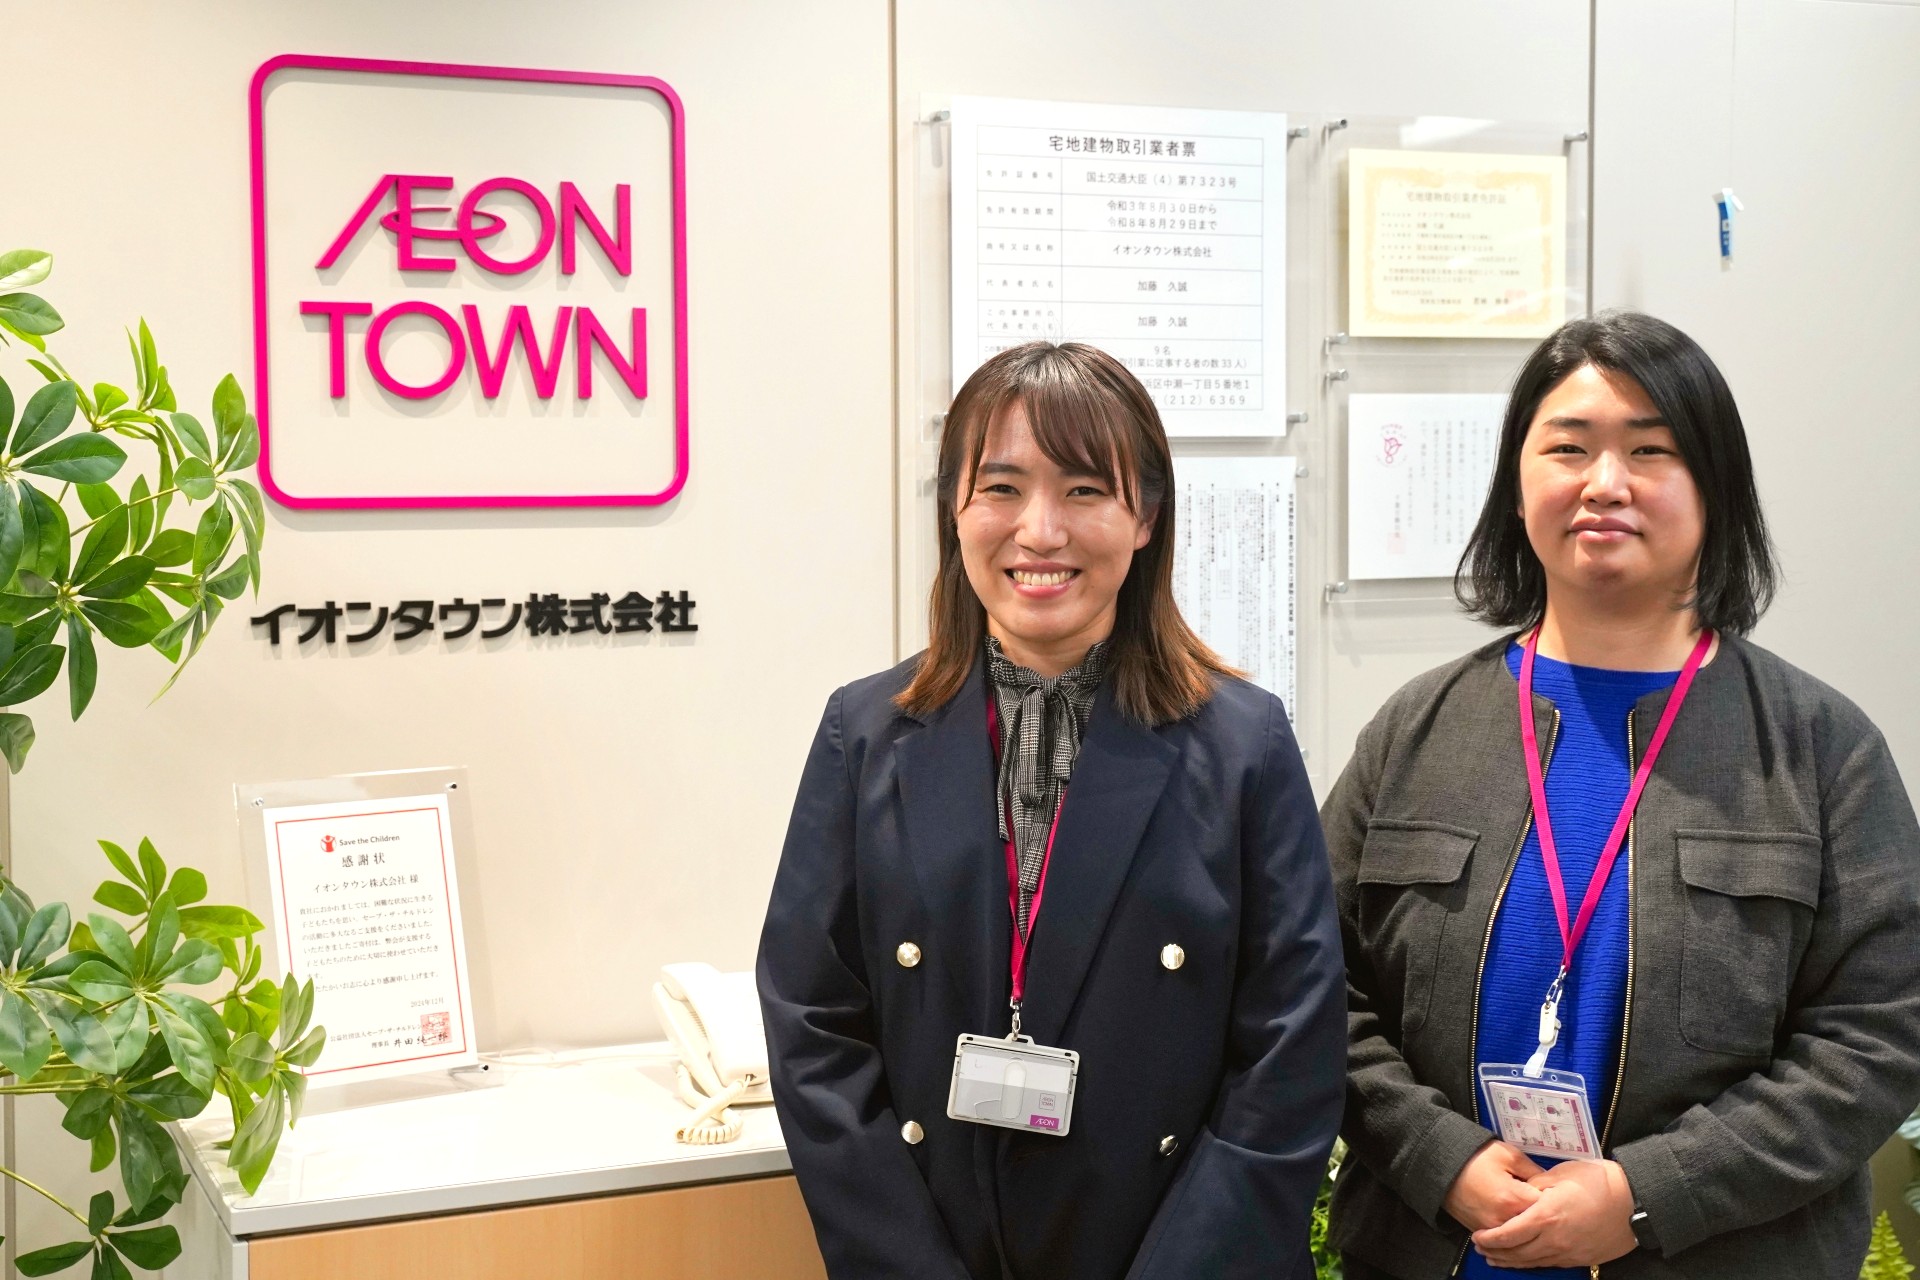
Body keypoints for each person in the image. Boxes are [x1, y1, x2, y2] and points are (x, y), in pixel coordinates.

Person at [1324, 310, 1920, 1279]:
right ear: (1518, 482)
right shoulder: (1416, 730)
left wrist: (1654, 1190)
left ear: (1716, 486)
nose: (1605, 482)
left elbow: (1879, 1033)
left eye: (1651, 450)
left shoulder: (1822, 747)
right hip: (1432, 1253)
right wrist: (1438, 1155)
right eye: (1569, 447)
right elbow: (1315, 986)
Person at [758, 340, 1345, 1279]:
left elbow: (1292, 1049)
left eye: (1084, 490)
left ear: (1145, 516)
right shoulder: (864, 733)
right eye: (1001, 488)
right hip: (931, 1247)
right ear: (954, 511)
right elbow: (812, 1021)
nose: (1039, 531)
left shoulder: (1245, 744)